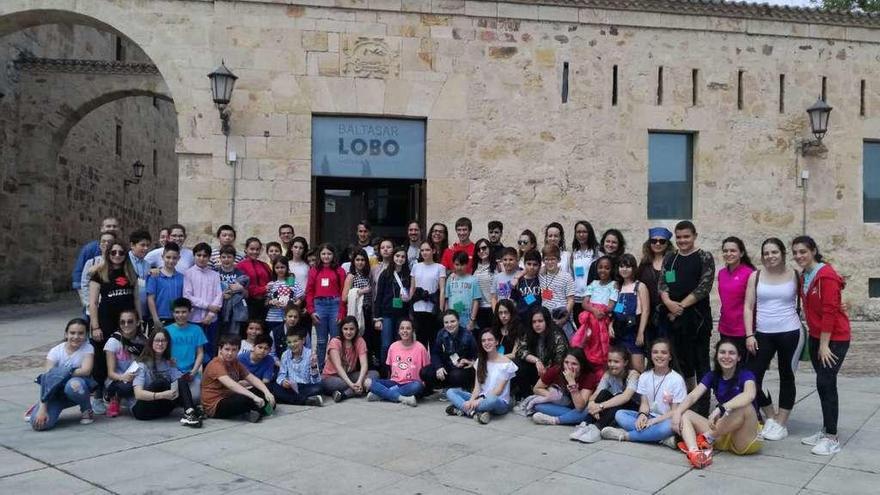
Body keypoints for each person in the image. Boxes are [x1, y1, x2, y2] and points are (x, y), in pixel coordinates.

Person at [792, 235, 851, 456]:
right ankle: (826, 429)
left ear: (814, 250)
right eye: (796, 252)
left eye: (803, 252)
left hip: (834, 338)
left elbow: (830, 311)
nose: (799, 256)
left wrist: (824, 345)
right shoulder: (806, 275)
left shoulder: (825, 275)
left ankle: (832, 437)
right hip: (817, 337)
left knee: (826, 382)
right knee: (823, 384)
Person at [743, 238, 804, 442]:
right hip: (762, 333)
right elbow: (748, 307)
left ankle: (782, 422)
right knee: (752, 376)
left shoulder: (795, 275)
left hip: (790, 332)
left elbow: (813, 298)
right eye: (766, 253)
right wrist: (749, 334)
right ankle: (771, 416)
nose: (770, 256)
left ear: (783, 254)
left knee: (787, 376)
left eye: (774, 252)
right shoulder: (756, 276)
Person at [671, 339, 762, 468]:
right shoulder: (713, 375)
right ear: (717, 356)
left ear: (739, 357)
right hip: (722, 431)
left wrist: (721, 408)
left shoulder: (746, 375)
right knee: (686, 413)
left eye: (731, 353)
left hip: (743, 436)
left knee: (745, 406)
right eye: (722, 352)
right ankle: (695, 452)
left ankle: (706, 439)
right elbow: (693, 396)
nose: (726, 356)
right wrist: (677, 413)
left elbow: (749, 395)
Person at [658, 221, 715, 416]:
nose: (682, 241)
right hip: (674, 319)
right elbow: (663, 283)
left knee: (701, 363)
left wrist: (679, 306)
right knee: (683, 362)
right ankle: (690, 398)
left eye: (686, 237)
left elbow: (704, 287)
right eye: (679, 237)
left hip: (697, 320)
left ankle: (704, 405)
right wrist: (668, 303)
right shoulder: (670, 258)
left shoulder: (704, 257)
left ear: (694, 236)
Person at [601, 339, 686, 446]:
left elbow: (675, 411)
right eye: (655, 352)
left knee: (669, 426)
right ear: (650, 355)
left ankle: (625, 436)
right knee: (620, 414)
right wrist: (642, 415)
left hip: (666, 419)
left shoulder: (677, 379)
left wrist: (654, 421)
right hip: (649, 417)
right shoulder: (645, 376)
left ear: (670, 356)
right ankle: (660, 438)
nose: (659, 355)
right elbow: (644, 404)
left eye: (664, 352)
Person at [88, 240, 138, 414]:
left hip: (127, 323)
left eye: (121, 253)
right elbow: (93, 303)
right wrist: (95, 327)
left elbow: (136, 299)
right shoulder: (99, 274)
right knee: (101, 360)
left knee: (127, 357)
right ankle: (98, 394)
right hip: (106, 322)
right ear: (108, 254)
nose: (117, 256)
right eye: (113, 252)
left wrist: (138, 321)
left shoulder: (130, 273)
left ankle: (120, 393)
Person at [27, 318, 96, 430]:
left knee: (74, 384)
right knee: (39, 424)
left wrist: (60, 373)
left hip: (75, 392)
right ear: (66, 334)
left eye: (80, 333)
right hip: (55, 393)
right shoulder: (55, 351)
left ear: (86, 335)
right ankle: (37, 407)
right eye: (72, 333)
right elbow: (48, 379)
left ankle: (86, 409)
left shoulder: (88, 348)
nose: (76, 337)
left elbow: (86, 370)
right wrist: (42, 408)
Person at [445, 328, 518, 424]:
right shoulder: (480, 361)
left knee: (492, 400)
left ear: (496, 342)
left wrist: (479, 401)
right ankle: (474, 414)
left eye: (490, 340)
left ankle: (462, 409)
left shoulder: (506, 363)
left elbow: (498, 391)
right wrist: (471, 400)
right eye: (483, 341)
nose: (486, 343)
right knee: (450, 391)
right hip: (480, 397)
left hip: (498, 401)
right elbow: (477, 388)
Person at [131, 328, 201, 427]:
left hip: (161, 410)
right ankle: (194, 410)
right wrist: (163, 395)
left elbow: (180, 382)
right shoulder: (141, 364)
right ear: (151, 342)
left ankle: (190, 412)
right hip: (143, 411)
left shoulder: (168, 362)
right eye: (157, 340)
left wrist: (177, 369)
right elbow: (138, 394)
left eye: (163, 340)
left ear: (167, 343)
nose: (160, 344)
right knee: (160, 383)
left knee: (180, 380)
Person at [570, 345, 640, 443]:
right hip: (613, 407)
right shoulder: (608, 374)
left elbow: (626, 397)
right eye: (610, 361)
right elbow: (597, 393)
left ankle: (597, 428)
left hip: (631, 409)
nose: (612, 364)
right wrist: (592, 403)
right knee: (604, 393)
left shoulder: (633, 375)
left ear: (625, 362)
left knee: (619, 396)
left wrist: (600, 406)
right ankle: (585, 424)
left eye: (616, 362)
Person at [201, 335, 277, 422]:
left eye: (234, 350)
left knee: (266, 387)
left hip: (230, 396)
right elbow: (231, 385)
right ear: (220, 349)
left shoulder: (235, 362)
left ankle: (260, 410)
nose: (230, 353)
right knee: (247, 399)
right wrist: (254, 397)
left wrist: (267, 392)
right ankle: (262, 410)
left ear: (238, 350)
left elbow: (252, 378)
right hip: (215, 405)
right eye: (227, 349)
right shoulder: (216, 364)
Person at [366, 319, 429, 406]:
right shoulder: (393, 346)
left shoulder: (420, 348)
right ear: (398, 331)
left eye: (408, 328)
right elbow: (390, 368)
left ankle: (381, 395)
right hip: (394, 383)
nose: (405, 331)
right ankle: (403, 398)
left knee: (418, 386)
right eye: (402, 328)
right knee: (368, 382)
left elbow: (426, 369)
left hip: (411, 384)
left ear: (413, 331)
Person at [530, 348, 599, 427]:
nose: (569, 367)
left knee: (587, 412)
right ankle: (571, 418)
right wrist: (553, 396)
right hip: (563, 406)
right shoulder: (556, 370)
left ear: (581, 365)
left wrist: (572, 382)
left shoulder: (589, 376)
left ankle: (554, 420)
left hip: (580, 408)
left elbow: (580, 406)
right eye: (566, 362)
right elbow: (536, 388)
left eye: (574, 364)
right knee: (538, 406)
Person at [572, 256, 617, 374]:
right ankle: (588, 371)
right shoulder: (593, 283)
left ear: (612, 269)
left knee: (602, 347)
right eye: (600, 267)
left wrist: (602, 311)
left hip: (603, 320)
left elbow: (611, 305)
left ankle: (602, 372)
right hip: (591, 320)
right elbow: (584, 303)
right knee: (588, 343)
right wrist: (594, 310)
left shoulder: (614, 285)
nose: (603, 270)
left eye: (607, 268)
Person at [307, 243, 348, 372]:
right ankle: (320, 369)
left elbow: (343, 292)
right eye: (323, 254)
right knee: (321, 341)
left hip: (335, 305)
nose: (326, 256)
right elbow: (309, 291)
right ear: (319, 255)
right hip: (319, 305)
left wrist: (342, 312)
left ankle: (335, 368)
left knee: (335, 340)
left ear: (333, 255)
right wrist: (311, 311)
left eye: (329, 254)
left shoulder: (340, 270)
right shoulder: (314, 270)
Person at [513, 307, 569, 400]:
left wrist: (545, 371)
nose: (537, 325)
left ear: (547, 321)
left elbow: (559, 363)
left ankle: (540, 393)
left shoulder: (557, 335)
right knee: (517, 363)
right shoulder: (530, 332)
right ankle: (527, 396)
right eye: (534, 322)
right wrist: (536, 361)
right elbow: (520, 351)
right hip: (538, 370)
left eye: (540, 321)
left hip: (553, 374)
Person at [322, 317, 379, 401]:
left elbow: (364, 364)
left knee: (374, 374)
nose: (348, 332)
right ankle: (356, 390)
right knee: (343, 384)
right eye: (345, 329)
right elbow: (338, 367)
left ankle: (344, 394)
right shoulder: (335, 342)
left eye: (352, 329)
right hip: (331, 377)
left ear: (356, 329)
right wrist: (351, 384)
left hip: (349, 374)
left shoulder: (360, 341)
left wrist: (359, 381)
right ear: (341, 330)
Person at [422, 310, 477, 395]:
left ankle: (463, 388)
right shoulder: (441, 333)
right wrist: (439, 367)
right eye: (446, 322)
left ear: (458, 321)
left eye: (452, 321)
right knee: (425, 372)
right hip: (447, 366)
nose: (449, 325)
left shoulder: (468, 335)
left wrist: (469, 362)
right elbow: (435, 353)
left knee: (456, 375)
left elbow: (476, 356)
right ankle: (443, 388)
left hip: (463, 369)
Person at [103, 309, 146, 417]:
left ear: (137, 322)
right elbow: (111, 373)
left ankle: (129, 398)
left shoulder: (143, 340)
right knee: (125, 388)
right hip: (118, 380)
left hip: (137, 379)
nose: (126, 325)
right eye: (122, 322)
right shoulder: (113, 342)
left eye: (130, 321)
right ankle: (114, 397)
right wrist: (123, 377)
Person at [374, 246, 413, 367]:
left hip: (403, 315)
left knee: (400, 343)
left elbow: (412, 293)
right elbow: (378, 296)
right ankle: (385, 372)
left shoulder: (409, 275)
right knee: (386, 344)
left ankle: (399, 370)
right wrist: (377, 318)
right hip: (387, 314)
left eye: (402, 257)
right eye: (397, 256)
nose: (400, 259)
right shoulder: (385, 274)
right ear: (393, 257)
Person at [717, 236, 756, 353]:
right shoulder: (721, 273)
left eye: (733, 250)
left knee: (743, 367)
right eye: (725, 251)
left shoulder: (750, 274)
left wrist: (750, 334)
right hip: (724, 328)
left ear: (741, 253)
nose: (728, 254)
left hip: (743, 330)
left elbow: (752, 304)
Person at [612, 254, 650, 372]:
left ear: (633, 268)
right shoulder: (618, 286)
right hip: (619, 331)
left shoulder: (640, 286)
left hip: (633, 329)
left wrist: (640, 332)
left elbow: (646, 311)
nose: (624, 269)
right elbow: (616, 309)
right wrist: (611, 325)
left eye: (628, 266)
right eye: (621, 266)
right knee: (621, 367)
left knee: (637, 367)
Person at [165, 298, 207, 405]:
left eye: (184, 312)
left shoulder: (196, 330)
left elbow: (200, 353)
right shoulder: (166, 330)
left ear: (190, 312)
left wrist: (194, 371)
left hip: (190, 373)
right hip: (171, 373)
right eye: (177, 312)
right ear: (172, 313)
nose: (180, 315)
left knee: (196, 398)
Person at [184, 243, 222, 356]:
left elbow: (219, 295)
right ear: (194, 256)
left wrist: (210, 315)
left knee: (210, 349)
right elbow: (187, 297)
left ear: (209, 257)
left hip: (211, 319)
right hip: (193, 318)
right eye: (198, 255)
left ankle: (209, 372)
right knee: (193, 350)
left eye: (205, 256)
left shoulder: (214, 275)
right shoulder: (188, 274)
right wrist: (207, 306)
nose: (201, 258)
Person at [637, 227, 674, 342]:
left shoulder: (671, 263)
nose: (657, 243)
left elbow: (673, 286)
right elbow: (636, 284)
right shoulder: (644, 264)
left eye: (662, 241)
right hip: (648, 314)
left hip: (667, 314)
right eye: (654, 241)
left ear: (667, 244)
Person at [272, 328, 323, 406]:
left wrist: (313, 366)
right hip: (290, 387)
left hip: (305, 386)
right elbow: (281, 375)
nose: (292, 345)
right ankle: (305, 400)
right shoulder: (285, 355)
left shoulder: (310, 354)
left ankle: (290, 399)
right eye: (289, 342)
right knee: (274, 387)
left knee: (318, 388)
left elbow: (316, 381)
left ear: (303, 340)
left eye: (295, 341)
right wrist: (283, 382)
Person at [342, 249, 375, 364]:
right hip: (357, 312)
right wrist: (360, 291)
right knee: (356, 339)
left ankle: (366, 366)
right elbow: (344, 297)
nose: (360, 262)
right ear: (353, 261)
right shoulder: (351, 276)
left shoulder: (367, 275)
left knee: (367, 341)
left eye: (362, 260)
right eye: (357, 260)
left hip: (368, 312)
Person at [410, 241, 446, 350]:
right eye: (422, 250)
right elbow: (413, 288)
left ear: (433, 251)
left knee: (434, 340)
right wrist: (410, 306)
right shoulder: (416, 267)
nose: (424, 252)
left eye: (427, 250)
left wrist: (440, 309)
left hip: (432, 307)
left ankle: (435, 365)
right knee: (420, 341)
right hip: (417, 307)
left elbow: (442, 289)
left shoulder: (440, 267)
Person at [265, 256, 305, 347]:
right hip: (273, 318)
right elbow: (266, 301)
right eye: (277, 267)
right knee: (274, 342)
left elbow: (300, 296)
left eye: (282, 267)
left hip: (290, 319)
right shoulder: (271, 284)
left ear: (287, 268)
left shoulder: (290, 281)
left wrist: (295, 304)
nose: (280, 270)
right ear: (274, 268)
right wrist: (272, 302)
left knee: (289, 341)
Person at [72, 216, 118, 294]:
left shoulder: (121, 250)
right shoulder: (90, 249)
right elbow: (78, 273)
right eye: (108, 226)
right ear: (102, 229)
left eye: (114, 226)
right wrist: (85, 300)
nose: (111, 228)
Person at [146, 242, 185, 329]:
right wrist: (155, 319)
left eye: (174, 258)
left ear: (179, 258)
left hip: (177, 318)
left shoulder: (182, 277)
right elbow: (150, 298)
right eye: (168, 257)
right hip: (159, 318)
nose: (171, 260)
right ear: (162, 257)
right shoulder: (155, 276)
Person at [443, 251, 483, 334]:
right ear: (453, 264)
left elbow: (476, 301)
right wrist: (446, 318)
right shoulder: (450, 279)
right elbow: (446, 300)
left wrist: (472, 319)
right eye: (457, 264)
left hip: (467, 319)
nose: (459, 267)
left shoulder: (473, 280)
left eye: (462, 264)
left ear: (467, 264)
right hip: (452, 320)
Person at [216, 245, 250, 338]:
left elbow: (247, 295)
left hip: (235, 311)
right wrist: (222, 295)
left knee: (233, 337)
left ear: (234, 258)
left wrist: (241, 289)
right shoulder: (215, 272)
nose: (226, 259)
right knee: (219, 336)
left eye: (229, 257)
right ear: (220, 258)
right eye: (223, 257)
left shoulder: (240, 273)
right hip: (219, 310)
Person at [79, 232, 116, 319]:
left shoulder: (119, 263)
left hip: (113, 308)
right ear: (99, 245)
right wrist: (89, 304)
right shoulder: (90, 263)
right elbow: (84, 284)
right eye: (103, 241)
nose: (106, 244)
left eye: (109, 242)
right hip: (93, 308)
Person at [539, 245, 575, 329]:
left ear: (559, 260)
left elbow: (571, 300)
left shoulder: (566, 277)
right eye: (547, 259)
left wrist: (564, 318)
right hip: (546, 318)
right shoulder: (541, 275)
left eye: (553, 259)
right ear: (543, 261)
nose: (550, 262)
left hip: (561, 317)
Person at [237, 237, 273, 322]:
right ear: (246, 249)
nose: (255, 252)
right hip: (249, 303)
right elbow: (243, 287)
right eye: (252, 249)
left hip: (265, 302)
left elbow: (271, 282)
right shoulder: (240, 266)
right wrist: (264, 289)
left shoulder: (265, 265)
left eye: (257, 249)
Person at [571, 220, 599, 323]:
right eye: (578, 232)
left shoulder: (596, 251)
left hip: (592, 297)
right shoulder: (574, 252)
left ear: (589, 233)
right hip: (577, 297)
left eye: (584, 232)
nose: (581, 235)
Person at [510, 250, 543, 321]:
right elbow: (513, 300)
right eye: (529, 264)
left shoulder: (542, 280)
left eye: (535, 264)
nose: (531, 267)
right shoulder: (518, 281)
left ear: (539, 266)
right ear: (524, 264)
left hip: (538, 319)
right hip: (521, 318)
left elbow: (547, 299)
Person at [128, 230, 153, 321]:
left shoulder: (147, 264)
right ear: (132, 245)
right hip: (129, 307)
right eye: (142, 245)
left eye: (148, 245)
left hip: (143, 308)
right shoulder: (125, 261)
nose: (146, 248)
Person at [471, 238, 496, 329]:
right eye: (478, 250)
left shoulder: (498, 266)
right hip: (478, 308)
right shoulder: (474, 267)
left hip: (493, 307)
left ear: (489, 248)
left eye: (484, 248)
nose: (481, 251)